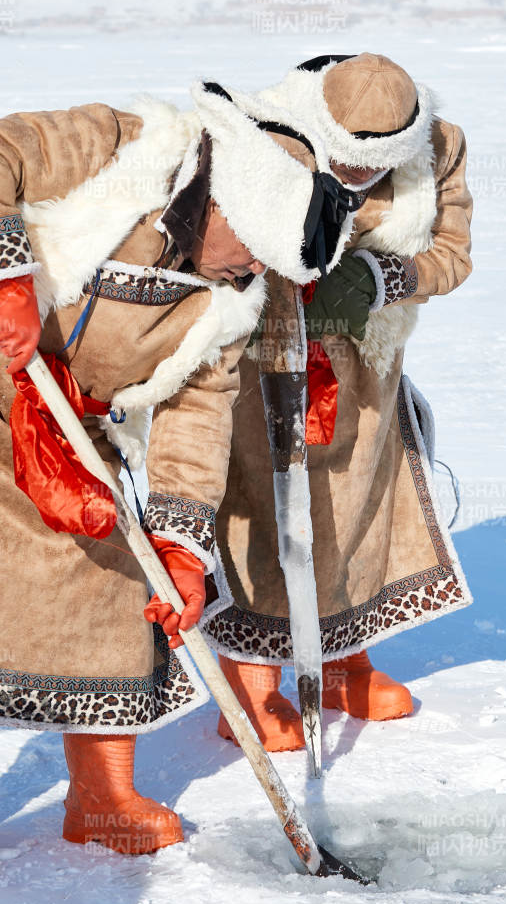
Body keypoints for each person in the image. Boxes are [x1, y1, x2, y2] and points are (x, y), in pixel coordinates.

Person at [0, 81, 353, 870]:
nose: (253, 275)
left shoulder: (234, 294)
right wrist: (7, 281)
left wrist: (180, 548)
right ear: (232, 206)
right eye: (254, 254)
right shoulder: (125, 145)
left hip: (75, 421)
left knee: (121, 589)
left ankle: (100, 796)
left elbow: (195, 422)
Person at [203, 53, 475, 749]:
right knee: (261, 508)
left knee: (357, 508)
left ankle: (344, 659)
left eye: (372, 168)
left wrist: (388, 276)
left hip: (367, 363)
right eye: (348, 163)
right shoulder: (261, 136)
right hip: (261, 356)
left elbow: (452, 252)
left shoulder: (440, 148)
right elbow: (207, 245)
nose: (358, 179)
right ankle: (252, 679)